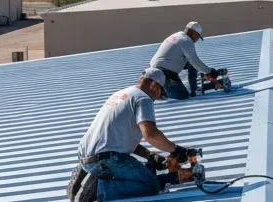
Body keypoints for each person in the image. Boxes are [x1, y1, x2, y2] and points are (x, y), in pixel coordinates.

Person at [66, 68, 199, 202]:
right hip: (106, 159)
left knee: (135, 177)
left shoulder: (121, 94)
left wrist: (150, 155)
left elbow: (120, 138)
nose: (157, 98)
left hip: (86, 157)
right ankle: (98, 188)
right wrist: (177, 150)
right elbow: (150, 134)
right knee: (150, 186)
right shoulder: (143, 98)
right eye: (160, 93)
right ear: (154, 85)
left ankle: (88, 175)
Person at [149, 21, 222, 100]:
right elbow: (195, 61)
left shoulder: (176, 35)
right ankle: (159, 93)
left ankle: (194, 86)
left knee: (191, 65)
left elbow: (191, 63)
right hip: (165, 72)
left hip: (154, 69)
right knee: (183, 95)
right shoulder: (186, 41)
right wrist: (209, 72)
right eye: (198, 36)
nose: (197, 40)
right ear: (193, 32)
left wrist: (205, 73)